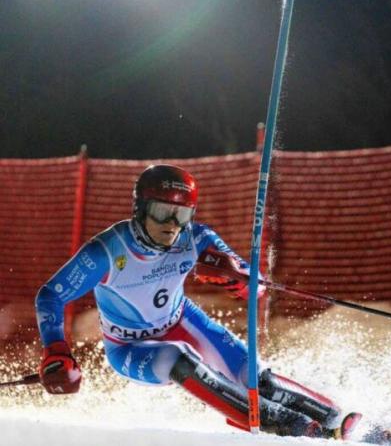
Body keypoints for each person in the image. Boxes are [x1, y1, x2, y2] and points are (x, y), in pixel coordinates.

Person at [34, 164, 360, 439]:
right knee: (179, 359)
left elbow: (252, 282)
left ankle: (340, 423)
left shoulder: (195, 238)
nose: (172, 225)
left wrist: (238, 279)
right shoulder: (107, 250)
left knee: (257, 379)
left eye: (182, 213)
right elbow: (51, 295)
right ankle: (297, 429)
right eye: (163, 212)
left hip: (182, 322)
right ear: (141, 208)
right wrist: (56, 350)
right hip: (129, 347)